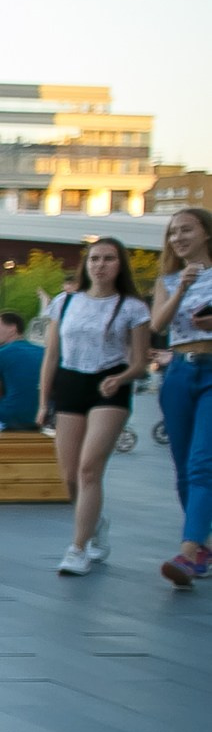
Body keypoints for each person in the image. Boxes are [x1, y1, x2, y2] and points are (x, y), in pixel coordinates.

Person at [41, 236, 151, 576]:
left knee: (90, 468)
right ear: (85, 265)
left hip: (109, 385)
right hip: (71, 383)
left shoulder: (133, 307)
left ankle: (78, 547)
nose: (100, 265)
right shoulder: (65, 302)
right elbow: (51, 355)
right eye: (94, 259)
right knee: (69, 475)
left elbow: (141, 361)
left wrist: (122, 378)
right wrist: (44, 401)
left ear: (120, 265)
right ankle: (94, 524)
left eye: (108, 259)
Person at [151, 206, 212, 587]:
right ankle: (203, 544)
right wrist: (183, 289)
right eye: (173, 233)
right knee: (182, 464)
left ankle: (188, 553)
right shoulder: (169, 279)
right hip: (178, 372)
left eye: (186, 230)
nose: (178, 238)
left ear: (206, 233)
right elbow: (157, 324)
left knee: (203, 463)